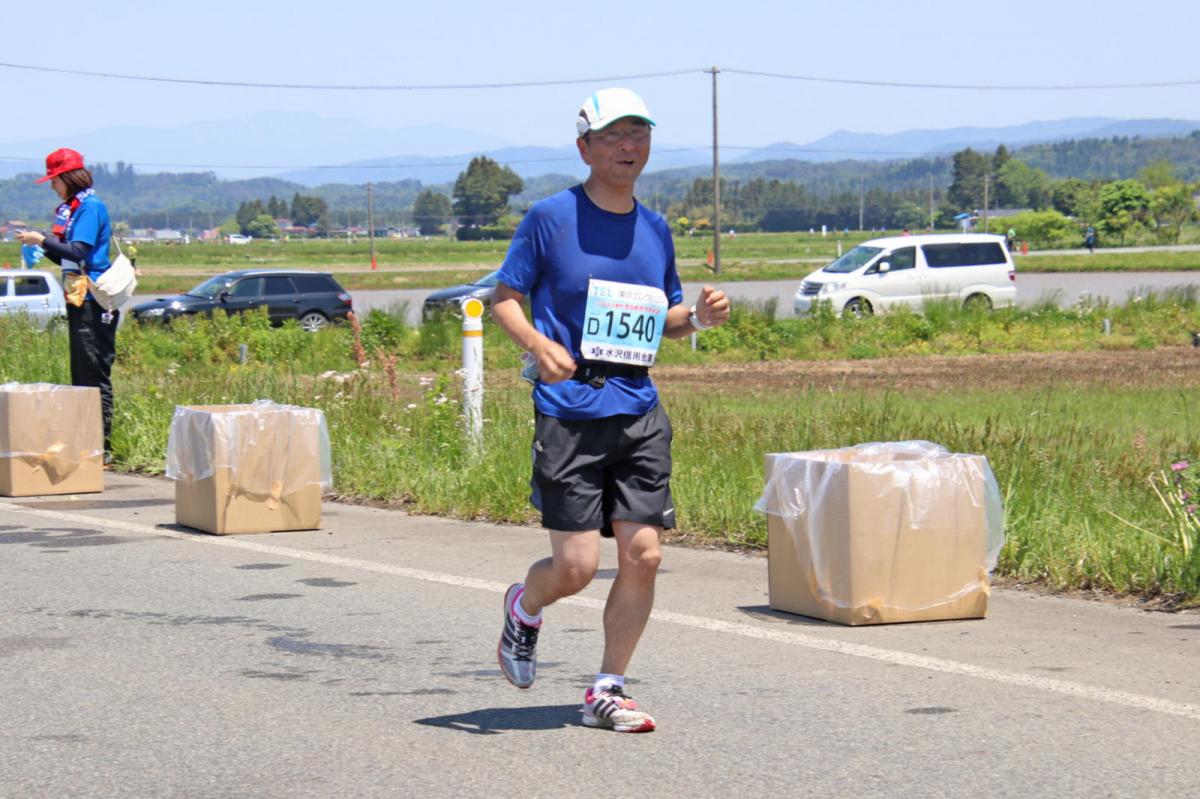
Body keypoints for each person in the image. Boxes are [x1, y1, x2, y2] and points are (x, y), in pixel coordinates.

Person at [491, 87, 730, 734]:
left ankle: (607, 686)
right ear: (585, 148)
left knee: (644, 552)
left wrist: (697, 318)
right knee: (573, 568)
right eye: (616, 136)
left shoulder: (654, 228)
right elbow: (504, 296)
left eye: (640, 135)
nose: (631, 147)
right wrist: (539, 345)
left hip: (637, 404)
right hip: (570, 407)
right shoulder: (550, 217)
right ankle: (524, 605)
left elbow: (664, 319)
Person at [15, 148, 118, 463]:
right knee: (81, 371)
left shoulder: (89, 208)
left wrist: (42, 240)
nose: (52, 187)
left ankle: (102, 445)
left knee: (93, 371)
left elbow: (78, 251)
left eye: (55, 180)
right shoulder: (73, 208)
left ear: (68, 178)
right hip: (78, 295)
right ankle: (88, 442)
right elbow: (65, 255)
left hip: (92, 298)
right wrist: (44, 243)